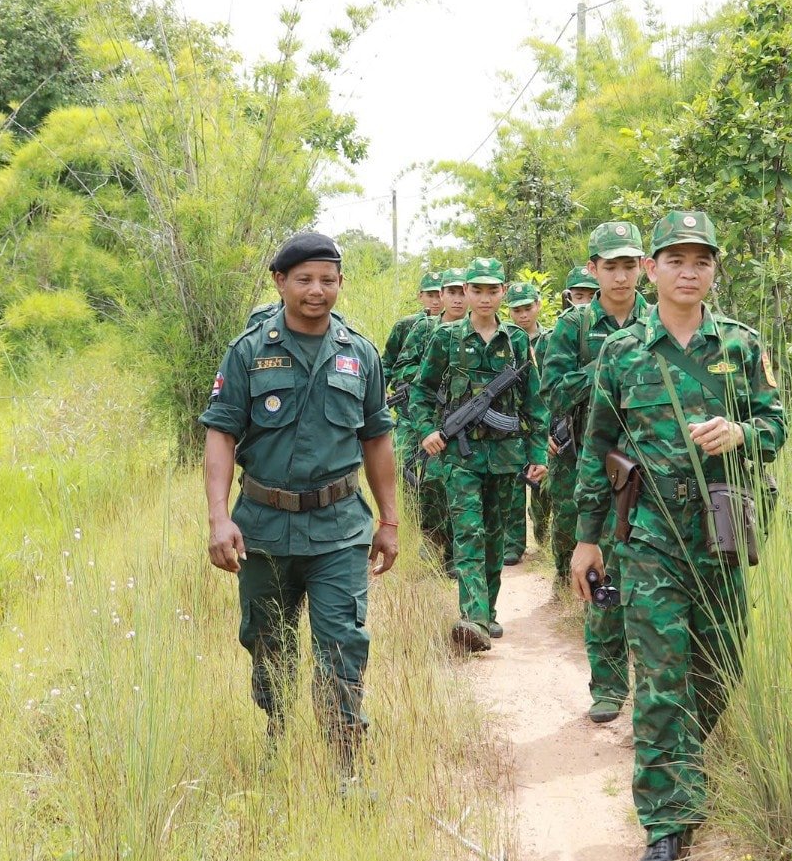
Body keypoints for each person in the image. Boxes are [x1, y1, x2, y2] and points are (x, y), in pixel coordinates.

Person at [570, 211, 787, 861]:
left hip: (723, 533)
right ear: (652, 270)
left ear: (714, 271)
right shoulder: (622, 353)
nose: (690, 272)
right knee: (662, 678)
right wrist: (585, 537)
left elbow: (777, 423)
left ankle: (680, 762)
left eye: (703, 261)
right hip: (651, 540)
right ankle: (668, 826)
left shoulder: (741, 347)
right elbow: (596, 444)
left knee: (721, 668)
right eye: (677, 260)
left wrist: (743, 434)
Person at [200, 231, 401, 788]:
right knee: (267, 643)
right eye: (305, 279)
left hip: (339, 529)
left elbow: (377, 439)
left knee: (343, 643)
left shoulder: (359, 355)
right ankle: (278, 737)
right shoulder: (247, 352)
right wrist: (219, 518)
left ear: (340, 284)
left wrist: (388, 520)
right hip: (262, 528)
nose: (317, 291)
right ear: (281, 281)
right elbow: (220, 433)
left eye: (328, 280)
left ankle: (346, 766)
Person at [539, 221, 648, 724]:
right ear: (593, 269)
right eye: (611, 267)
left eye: (629, 266)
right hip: (597, 464)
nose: (621, 277)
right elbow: (556, 393)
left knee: (649, 582)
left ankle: (654, 690)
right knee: (602, 579)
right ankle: (607, 687)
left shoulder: (657, 318)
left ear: (643, 267)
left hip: (654, 469)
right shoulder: (575, 328)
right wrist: (608, 361)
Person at [410, 257, 546, 651]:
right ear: (465, 292)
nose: (485, 298)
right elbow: (421, 392)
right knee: (468, 532)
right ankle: (473, 617)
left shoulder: (516, 341)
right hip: (460, 456)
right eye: (477, 290)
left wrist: (538, 451)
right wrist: (426, 432)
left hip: (505, 454)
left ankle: (488, 611)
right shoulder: (446, 339)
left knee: (494, 534)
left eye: (492, 290)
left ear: (503, 292)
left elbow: (534, 402)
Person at [397, 268, 469, 573]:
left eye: (461, 292)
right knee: (431, 483)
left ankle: (458, 554)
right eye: (450, 292)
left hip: (467, 421)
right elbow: (402, 367)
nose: (456, 299)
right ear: (441, 295)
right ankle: (433, 539)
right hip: (429, 420)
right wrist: (430, 381)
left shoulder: (478, 329)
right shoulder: (425, 330)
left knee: (462, 487)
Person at [504, 281, 548, 566]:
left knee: (544, 485)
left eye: (527, 308)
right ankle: (513, 543)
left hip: (546, 418)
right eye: (516, 309)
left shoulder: (552, 339)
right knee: (513, 485)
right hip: (513, 421)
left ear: (538, 305)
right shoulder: (506, 340)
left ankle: (544, 535)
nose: (522, 314)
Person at [383, 271, 443, 382]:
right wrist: (381, 392)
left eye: (439, 296)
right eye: (430, 295)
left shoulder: (454, 326)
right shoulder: (405, 324)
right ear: (420, 296)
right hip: (407, 390)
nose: (435, 301)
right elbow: (387, 363)